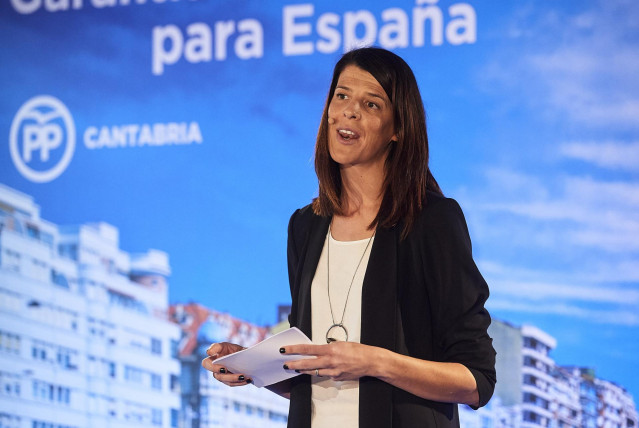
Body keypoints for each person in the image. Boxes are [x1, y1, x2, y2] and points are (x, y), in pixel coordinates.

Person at [202, 47, 496, 428]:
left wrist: (374, 361)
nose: (350, 110)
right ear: (328, 111)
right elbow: (315, 380)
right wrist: (253, 367)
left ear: (397, 129)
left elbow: (477, 380)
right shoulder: (304, 226)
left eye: (371, 104)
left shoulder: (431, 221)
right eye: (341, 96)